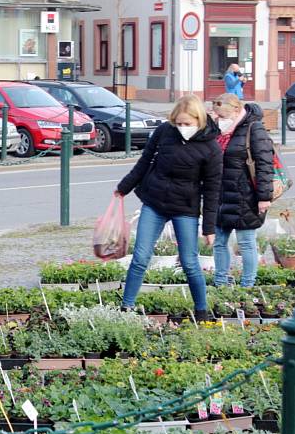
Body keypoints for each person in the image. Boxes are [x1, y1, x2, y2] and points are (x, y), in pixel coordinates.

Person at [115, 95, 223, 321]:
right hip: (155, 202)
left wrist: (209, 228)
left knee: (190, 262)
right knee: (140, 257)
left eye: (187, 123)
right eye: (179, 123)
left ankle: (201, 311)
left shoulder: (211, 147)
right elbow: (144, 162)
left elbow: (212, 190)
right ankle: (126, 308)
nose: (182, 127)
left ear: (199, 121)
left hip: (185, 207)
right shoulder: (165, 132)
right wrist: (124, 187)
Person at [211, 93, 274, 287]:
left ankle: (248, 285)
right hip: (221, 195)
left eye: (222, 116)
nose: (219, 120)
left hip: (245, 196)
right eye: (217, 116)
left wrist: (264, 197)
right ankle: (220, 282)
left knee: (246, 242)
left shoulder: (254, 128)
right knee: (219, 242)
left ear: (236, 110)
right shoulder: (218, 131)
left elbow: (265, 164)